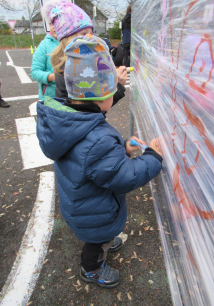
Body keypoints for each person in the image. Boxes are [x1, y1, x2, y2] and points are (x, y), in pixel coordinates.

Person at [36, 34, 163, 288]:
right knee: (96, 245)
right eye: (112, 91)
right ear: (100, 97)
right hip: (95, 216)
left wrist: (124, 149)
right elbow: (125, 176)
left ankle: (104, 241)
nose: (114, 97)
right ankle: (91, 268)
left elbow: (99, 165)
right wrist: (153, 157)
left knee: (100, 238)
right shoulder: (97, 138)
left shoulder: (71, 121)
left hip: (82, 206)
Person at [42, 0, 127, 107]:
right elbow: (94, 107)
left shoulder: (67, 63)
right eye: (84, 33)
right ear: (67, 38)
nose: (90, 37)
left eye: (91, 33)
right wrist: (118, 86)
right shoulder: (74, 67)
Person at [30, 23, 59, 100]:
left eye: (59, 22)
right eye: (51, 23)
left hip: (73, 97)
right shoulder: (44, 45)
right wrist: (53, 77)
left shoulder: (74, 43)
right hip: (50, 98)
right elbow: (35, 72)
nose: (54, 26)